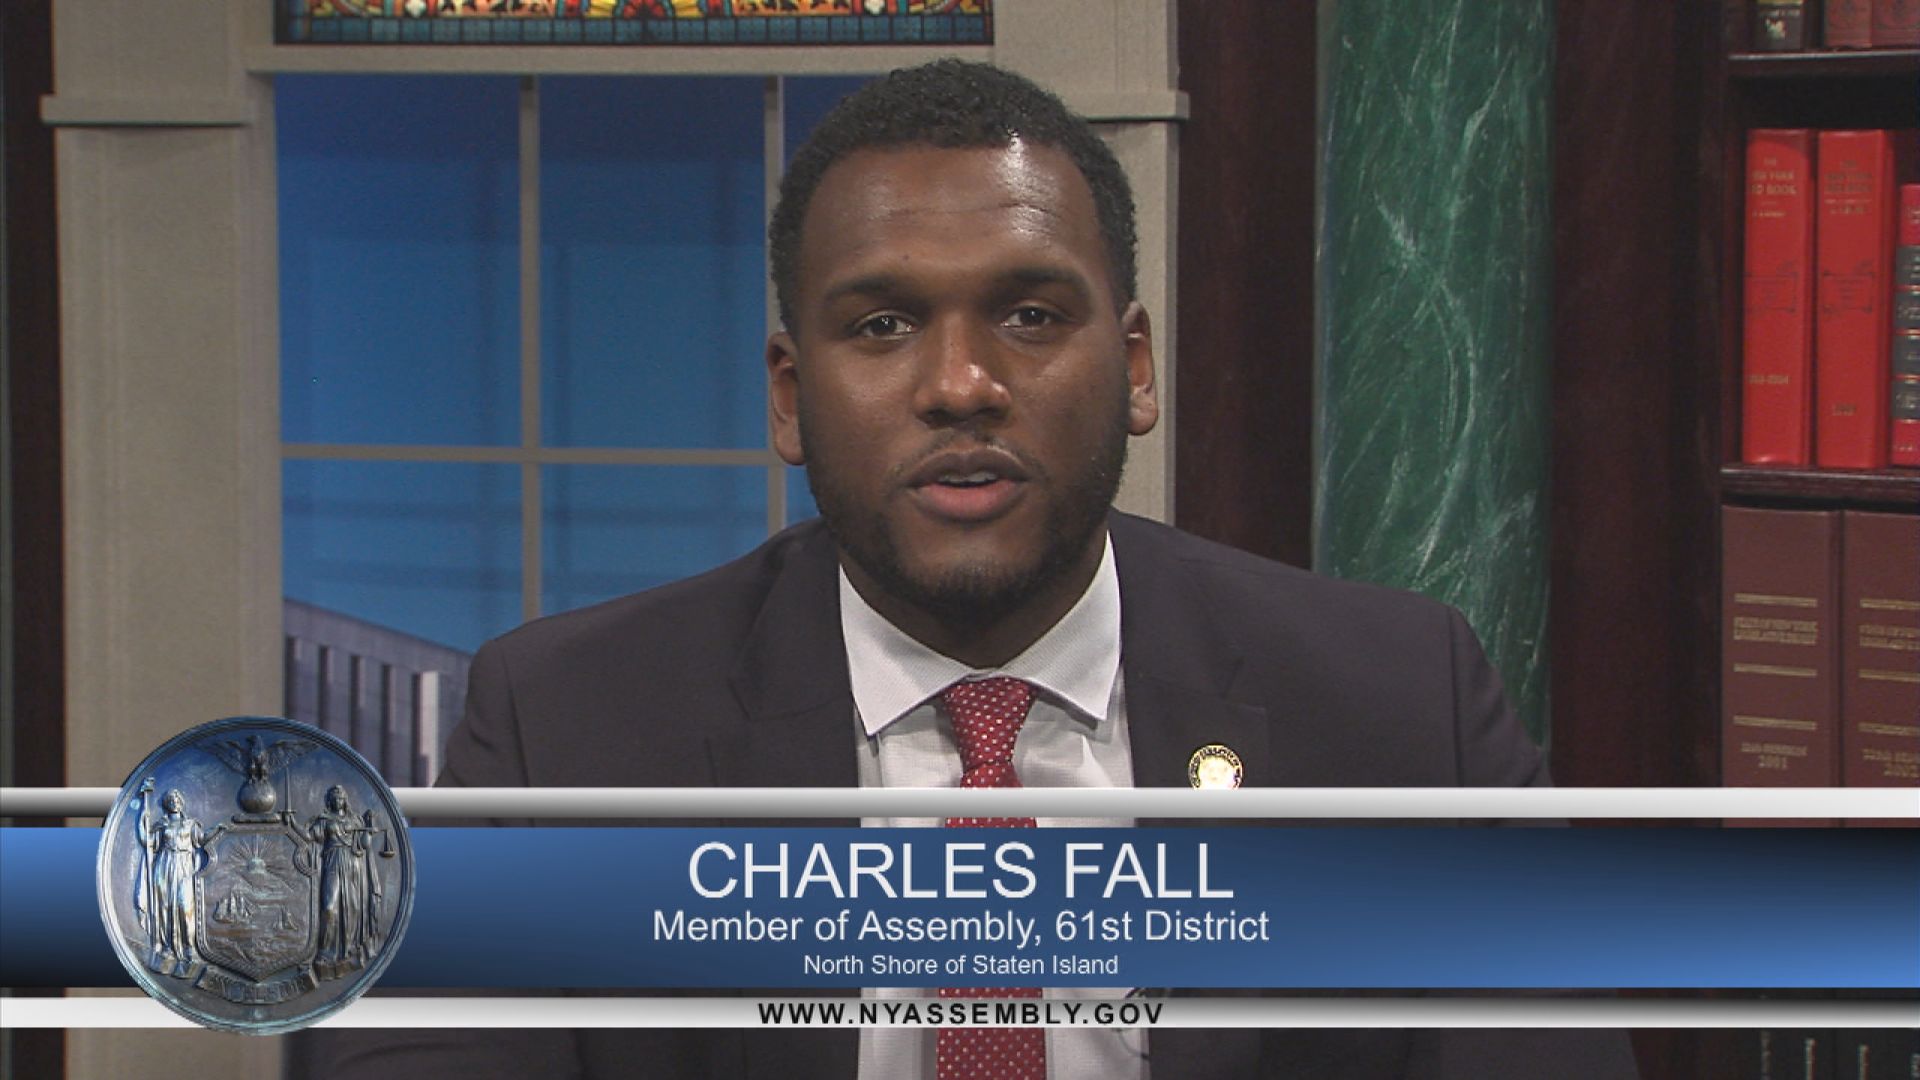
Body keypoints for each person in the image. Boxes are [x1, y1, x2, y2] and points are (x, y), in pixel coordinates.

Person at [308, 60, 1637, 1079]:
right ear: (790, 396)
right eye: (885, 324)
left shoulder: (1401, 708)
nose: (961, 384)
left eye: (1030, 315)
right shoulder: (566, 735)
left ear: (1135, 369)